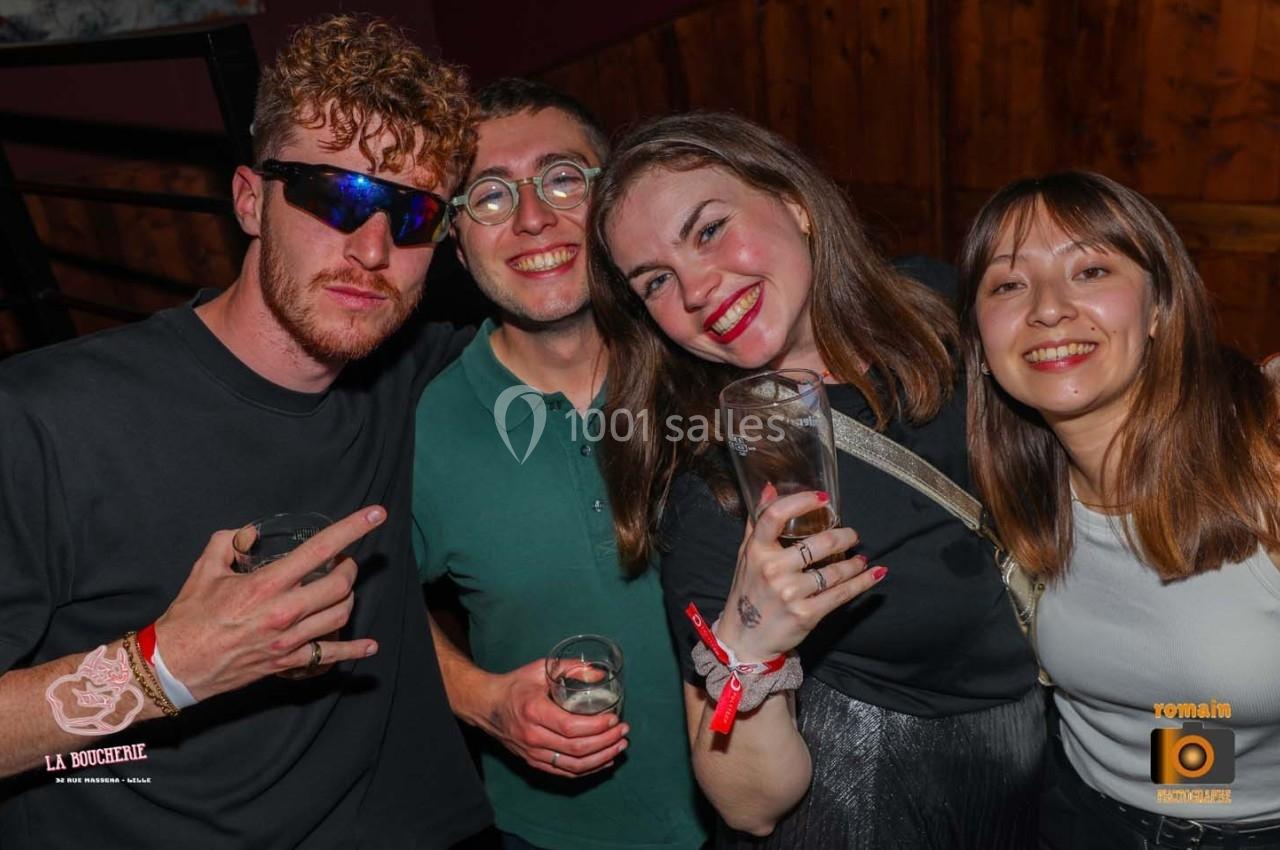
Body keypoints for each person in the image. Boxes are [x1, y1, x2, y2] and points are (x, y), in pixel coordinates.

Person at [0, 15, 493, 848]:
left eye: (412, 217)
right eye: (337, 195)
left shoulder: (416, 376)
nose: (373, 248)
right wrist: (163, 669)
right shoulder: (42, 416)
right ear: (249, 199)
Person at [586, 111, 1043, 848]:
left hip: (1039, 777)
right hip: (875, 811)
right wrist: (752, 640)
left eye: (707, 230)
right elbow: (749, 804)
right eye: (656, 282)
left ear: (793, 203)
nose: (698, 289)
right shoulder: (722, 486)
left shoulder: (937, 308)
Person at [411, 78, 709, 850]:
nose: (534, 218)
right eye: (489, 196)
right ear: (454, 234)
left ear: (612, 198)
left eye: (562, 178)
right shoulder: (422, 426)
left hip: (783, 808)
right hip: (554, 833)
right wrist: (481, 699)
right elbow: (371, 608)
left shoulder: (709, 361)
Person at [956, 170, 1280, 849]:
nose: (1048, 308)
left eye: (1091, 270)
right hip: (1081, 818)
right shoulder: (1014, 493)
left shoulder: (1264, 468)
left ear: (1160, 306)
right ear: (982, 349)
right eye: (1009, 285)